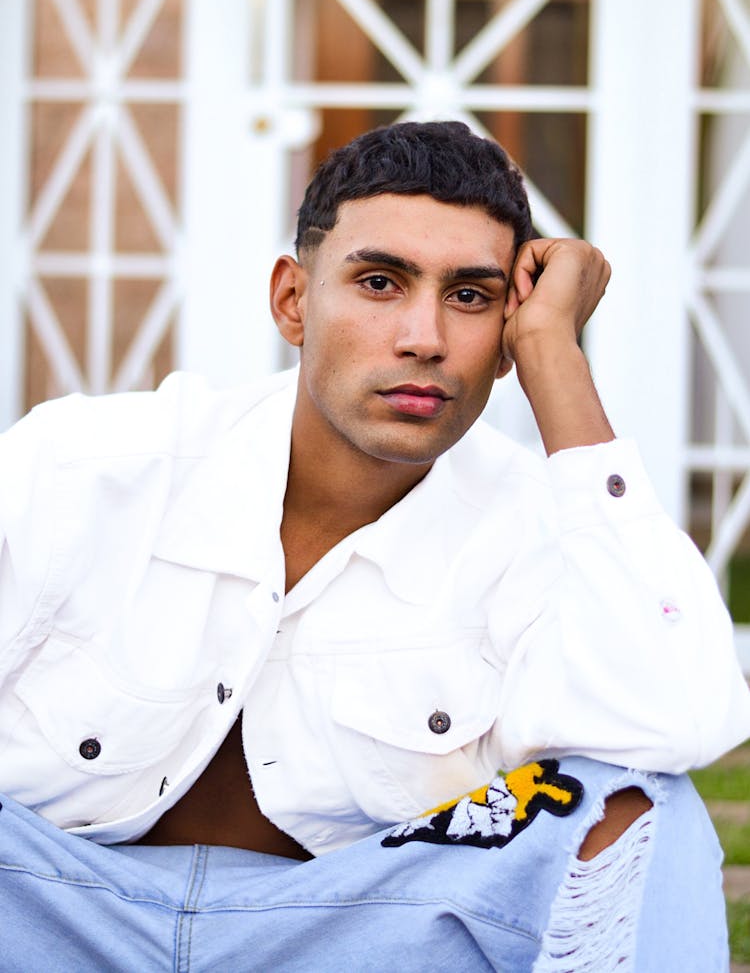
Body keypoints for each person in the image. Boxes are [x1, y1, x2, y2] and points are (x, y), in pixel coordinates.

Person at [0, 120, 748, 972]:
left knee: (645, 813)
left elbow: (680, 720)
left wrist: (557, 359)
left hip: (355, 933)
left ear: (505, 334)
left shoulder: (535, 523)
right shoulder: (86, 466)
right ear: (292, 299)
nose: (423, 337)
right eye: (381, 282)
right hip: (52, 910)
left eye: (470, 296)